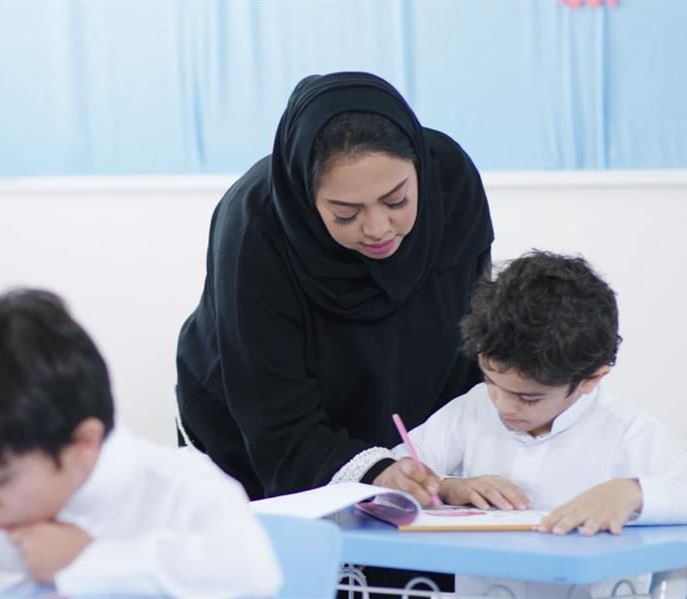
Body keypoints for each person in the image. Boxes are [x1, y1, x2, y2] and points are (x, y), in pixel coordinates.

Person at [176, 71, 493, 502]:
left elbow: (469, 338)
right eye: (346, 213)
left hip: (414, 433)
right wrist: (376, 470)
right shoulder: (255, 229)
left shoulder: (451, 183)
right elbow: (274, 416)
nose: (378, 228)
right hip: (255, 438)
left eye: (397, 201)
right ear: (306, 197)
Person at [0, 289, 281, 596]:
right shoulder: (5, 501)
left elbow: (254, 576)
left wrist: (88, 559)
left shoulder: (182, 489)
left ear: (83, 443)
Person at [394, 250, 687, 598]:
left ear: (591, 379)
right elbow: (400, 468)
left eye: (528, 398)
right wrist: (447, 486)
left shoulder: (627, 432)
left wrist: (632, 493)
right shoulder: (473, 408)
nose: (503, 405)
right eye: (491, 382)